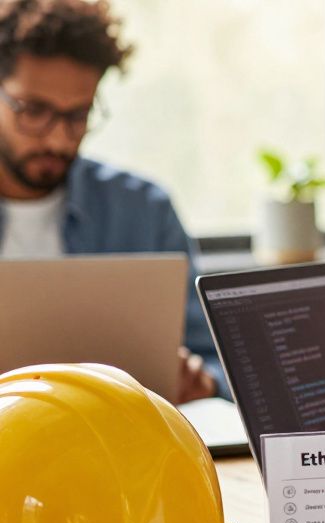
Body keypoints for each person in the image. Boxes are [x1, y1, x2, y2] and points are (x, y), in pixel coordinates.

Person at [0, 0, 223, 402]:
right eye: (34, 111)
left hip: (118, 452)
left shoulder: (144, 209)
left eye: (77, 114)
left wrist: (200, 381)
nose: (57, 138)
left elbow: (214, 362)